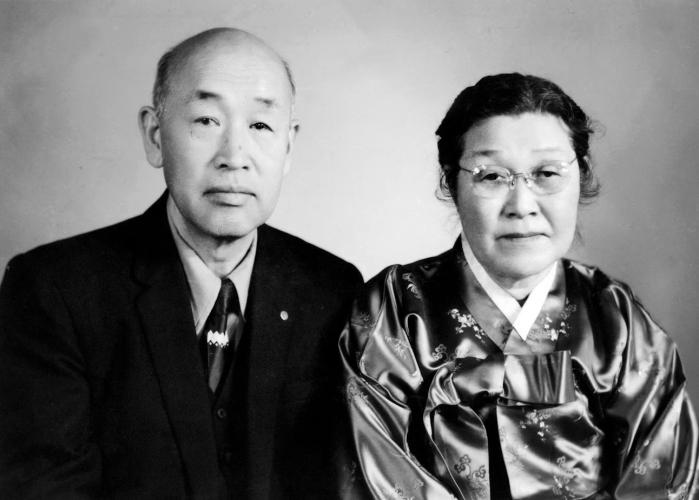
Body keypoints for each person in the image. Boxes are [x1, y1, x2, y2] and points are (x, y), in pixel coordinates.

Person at [0, 28, 362, 499]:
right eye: (207, 120)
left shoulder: (333, 290)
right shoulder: (54, 291)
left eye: (260, 126)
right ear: (155, 135)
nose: (234, 158)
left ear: (288, 146)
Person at [340, 73, 698, 499]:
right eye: (491, 177)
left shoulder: (617, 321)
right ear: (451, 182)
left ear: (580, 176)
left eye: (546, 173)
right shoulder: (396, 311)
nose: (522, 206)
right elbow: (381, 478)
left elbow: (662, 482)